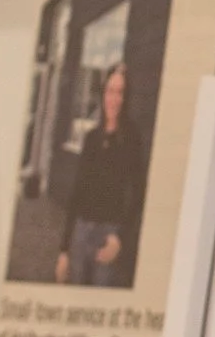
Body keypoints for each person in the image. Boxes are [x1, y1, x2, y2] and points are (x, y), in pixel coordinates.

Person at [54, 62, 148, 288]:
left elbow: (138, 193)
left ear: (126, 98)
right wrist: (64, 250)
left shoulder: (131, 140)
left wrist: (120, 238)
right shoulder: (91, 139)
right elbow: (77, 192)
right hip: (81, 231)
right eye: (110, 91)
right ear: (103, 94)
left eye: (120, 92)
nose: (114, 99)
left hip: (108, 236)